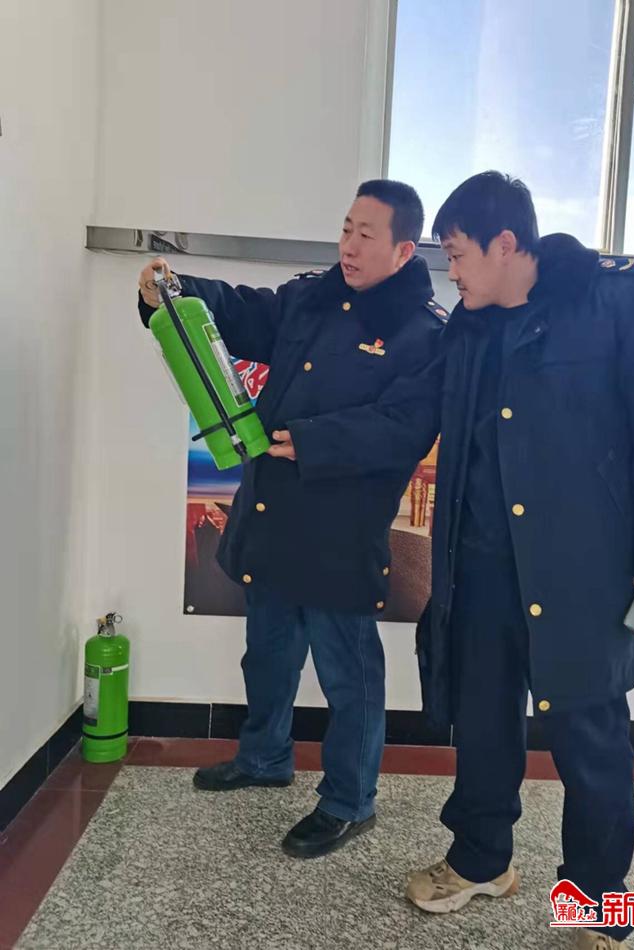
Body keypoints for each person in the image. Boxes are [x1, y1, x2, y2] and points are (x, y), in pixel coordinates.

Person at [407, 171, 634, 949]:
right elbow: (410, 412)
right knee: (482, 722)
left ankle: (600, 903)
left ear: (507, 243)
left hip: (586, 575)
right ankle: (480, 859)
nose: (452, 271)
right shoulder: (469, 326)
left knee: (590, 739)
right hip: (481, 570)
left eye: (459, 253)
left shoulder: (616, 298)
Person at [138, 180, 447, 858]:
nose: (349, 245)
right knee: (269, 651)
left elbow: (404, 427)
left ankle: (349, 800)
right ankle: (265, 756)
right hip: (274, 510)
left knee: (348, 673)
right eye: (346, 228)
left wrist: (313, 441)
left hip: (341, 529)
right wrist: (175, 289)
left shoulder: (424, 332)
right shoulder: (310, 296)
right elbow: (244, 313)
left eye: (367, 234)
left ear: (403, 250)